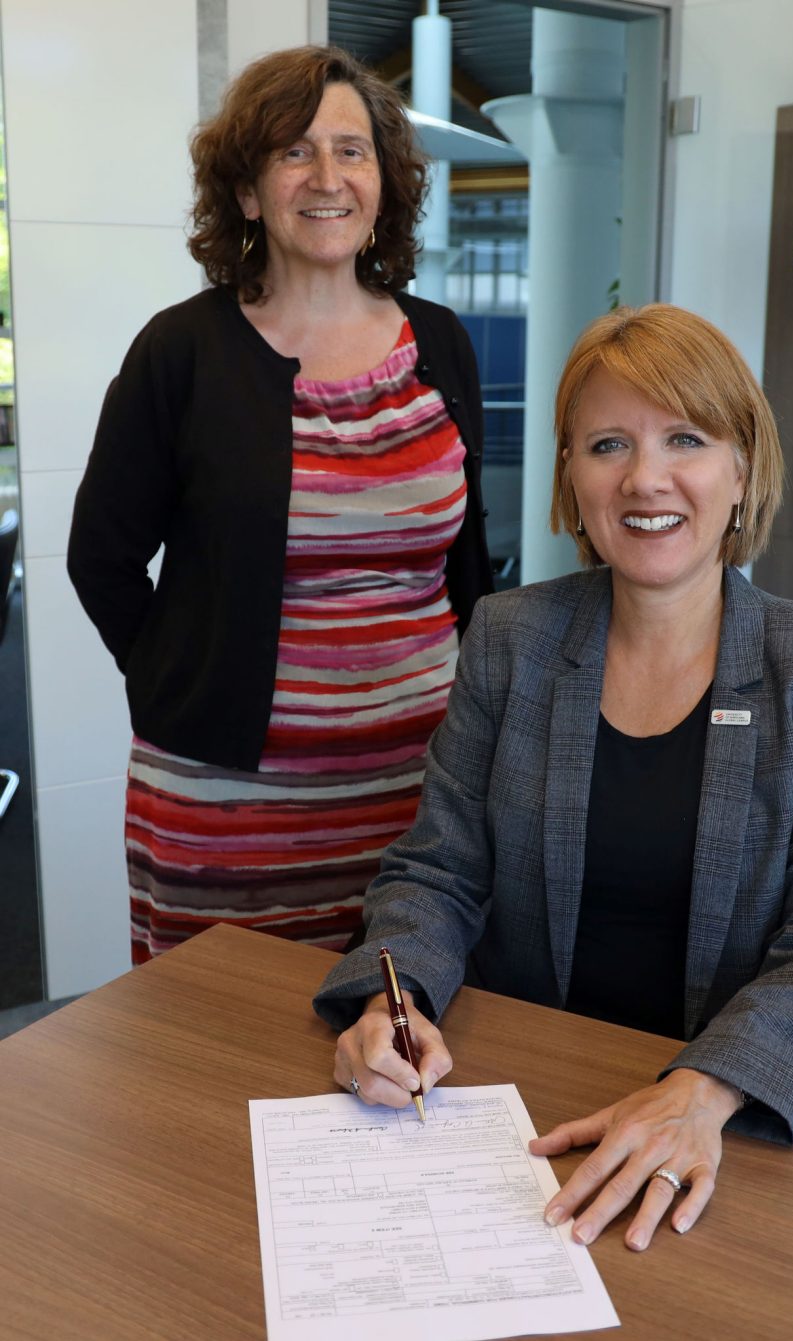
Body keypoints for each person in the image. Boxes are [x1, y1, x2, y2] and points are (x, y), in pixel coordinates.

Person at [313, 304, 793, 1252]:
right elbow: (438, 871)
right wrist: (398, 1001)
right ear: (572, 478)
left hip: (720, 1113)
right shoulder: (510, 638)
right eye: (607, 444)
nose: (645, 478)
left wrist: (700, 1091)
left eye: (685, 439)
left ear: (742, 469)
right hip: (514, 1097)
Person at [67, 47, 492, 963]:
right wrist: (178, 685)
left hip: (422, 803)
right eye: (295, 152)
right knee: (218, 1062)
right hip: (227, 807)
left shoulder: (443, 344)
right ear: (250, 193)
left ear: (384, 182)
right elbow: (100, 556)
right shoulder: (181, 352)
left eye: (353, 150)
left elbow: (467, 564)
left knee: (398, 1047)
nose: (328, 176)